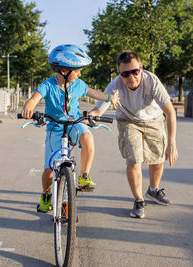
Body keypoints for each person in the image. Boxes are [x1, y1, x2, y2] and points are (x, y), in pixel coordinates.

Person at [21, 44, 119, 212]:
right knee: (49, 172)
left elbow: (94, 93)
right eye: (78, 70)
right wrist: (29, 106)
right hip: (55, 128)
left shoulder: (78, 84)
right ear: (65, 72)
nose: (80, 74)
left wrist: (110, 98)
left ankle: (84, 175)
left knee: (88, 137)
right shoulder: (48, 85)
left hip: (74, 124)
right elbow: (35, 98)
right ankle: (46, 195)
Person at [89, 50, 178, 219]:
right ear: (119, 74)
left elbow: (170, 113)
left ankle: (153, 190)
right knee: (134, 158)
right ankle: (139, 199)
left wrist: (172, 143)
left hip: (154, 119)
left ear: (141, 68)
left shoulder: (152, 81)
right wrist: (86, 118)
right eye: (125, 73)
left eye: (135, 71)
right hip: (128, 120)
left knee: (158, 158)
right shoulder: (114, 85)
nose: (131, 77)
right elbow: (98, 110)